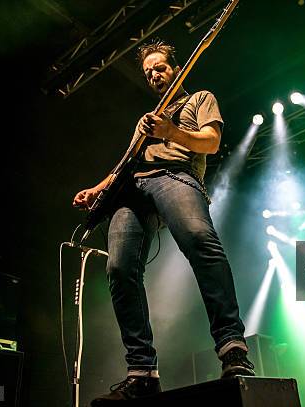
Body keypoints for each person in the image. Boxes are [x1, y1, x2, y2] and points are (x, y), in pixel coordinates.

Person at [72, 39, 254, 404]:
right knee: (119, 268)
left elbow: (211, 142)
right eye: (148, 72)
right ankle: (142, 372)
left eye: (160, 67)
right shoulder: (145, 122)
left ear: (175, 67)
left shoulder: (199, 98)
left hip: (177, 176)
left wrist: (170, 132)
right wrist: (98, 188)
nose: (154, 75)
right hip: (131, 189)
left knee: (201, 241)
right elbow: (126, 165)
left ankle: (232, 347)